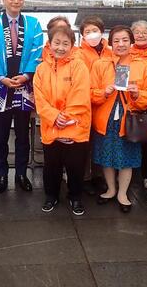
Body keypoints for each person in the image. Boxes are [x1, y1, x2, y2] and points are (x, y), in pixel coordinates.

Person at [0, 0, 43, 193]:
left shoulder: (33, 24)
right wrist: (1, 78)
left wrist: (26, 76)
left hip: (24, 87)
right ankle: (2, 175)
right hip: (0, 87)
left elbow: (37, 52)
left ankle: (22, 174)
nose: (16, 1)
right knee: (1, 134)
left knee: (23, 134)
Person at [90, 26, 147, 213]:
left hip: (129, 118)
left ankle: (123, 193)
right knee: (106, 155)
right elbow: (90, 92)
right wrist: (103, 92)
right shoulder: (100, 64)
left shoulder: (142, 65)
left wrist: (137, 94)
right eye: (116, 40)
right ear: (111, 43)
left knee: (127, 156)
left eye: (125, 40)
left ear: (131, 42)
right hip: (106, 118)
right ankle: (111, 189)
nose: (121, 44)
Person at [34, 26, 91, 216]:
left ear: (72, 45)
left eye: (65, 43)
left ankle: (75, 197)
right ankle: (51, 196)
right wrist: (53, 116)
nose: (60, 47)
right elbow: (40, 99)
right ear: (49, 44)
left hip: (75, 126)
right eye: (56, 43)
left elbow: (80, 96)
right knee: (51, 166)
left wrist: (64, 119)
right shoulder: (41, 69)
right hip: (51, 126)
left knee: (75, 166)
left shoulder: (79, 66)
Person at [78, 15, 113, 196]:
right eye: (87, 31)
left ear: (102, 31)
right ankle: (84, 177)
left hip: (106, 104)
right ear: (82, 35)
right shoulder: (78, 54)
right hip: (86, 103)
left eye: (95, 30)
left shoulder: (110, 52)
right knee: (85, 142)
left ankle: (99, 176)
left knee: (101, 142)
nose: (92, 34)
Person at [130, 20, 147, 190]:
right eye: (137, 32)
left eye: (145, 32)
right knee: (127, 140)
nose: (140, 35)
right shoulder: (125, 53)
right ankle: (127, 173)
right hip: (129, 102)